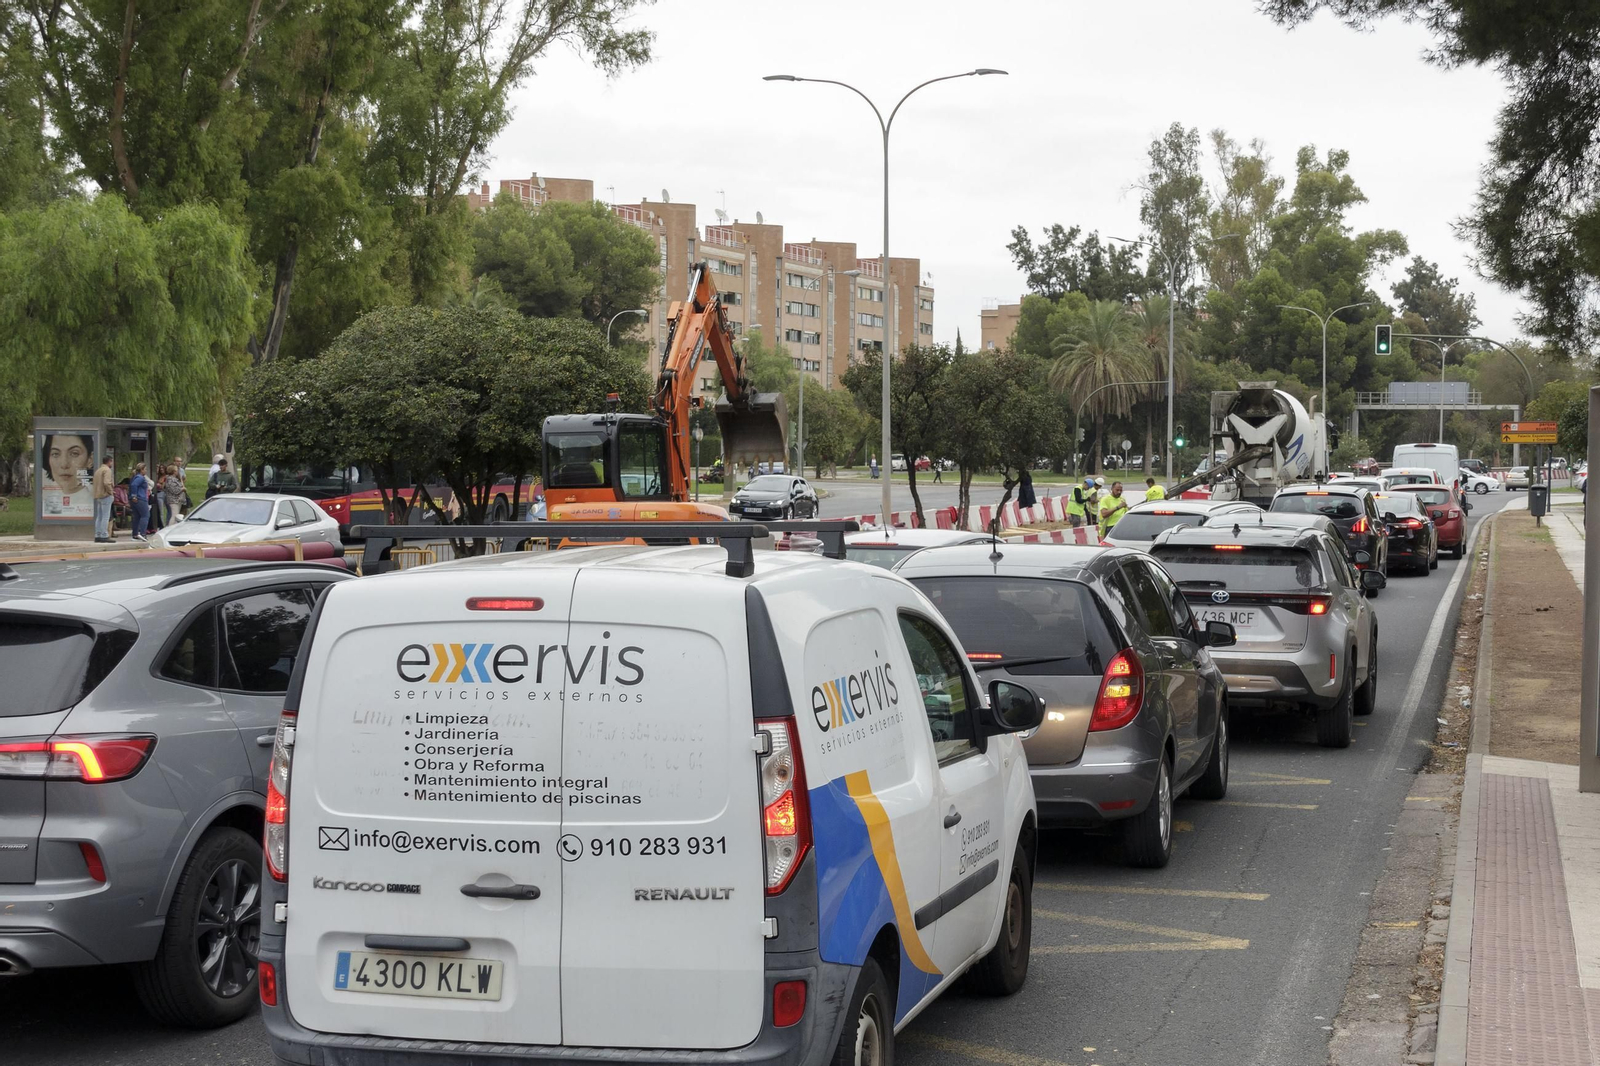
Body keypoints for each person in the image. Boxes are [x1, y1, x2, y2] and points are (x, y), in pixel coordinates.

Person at [40, 433, 95, 518]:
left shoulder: (94, 500)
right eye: (55, 454)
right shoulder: (46, 501)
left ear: (90, 459)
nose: (64, 464)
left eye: (74, 453)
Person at [92, 453, 116, 543]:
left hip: (98, 495)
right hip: (106, 495)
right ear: (109, 461)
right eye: (111, 462)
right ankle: (104, 535)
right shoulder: (107, 470)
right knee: (106, 516)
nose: (112, 464)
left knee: (99, 516)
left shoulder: (98, 470)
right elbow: (106, 482)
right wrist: (111, 492)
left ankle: (97, 534)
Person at [129, 463, 151, 542]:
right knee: (145, 515)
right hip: (140, 498)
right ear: (141, 470)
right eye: (145, 469)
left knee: (137, 517)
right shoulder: (140, 478)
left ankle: (135, 534)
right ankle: (143, 533)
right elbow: (134, 485)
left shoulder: (135, 477)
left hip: (135, 499)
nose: (146, 471)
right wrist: (134, 495)